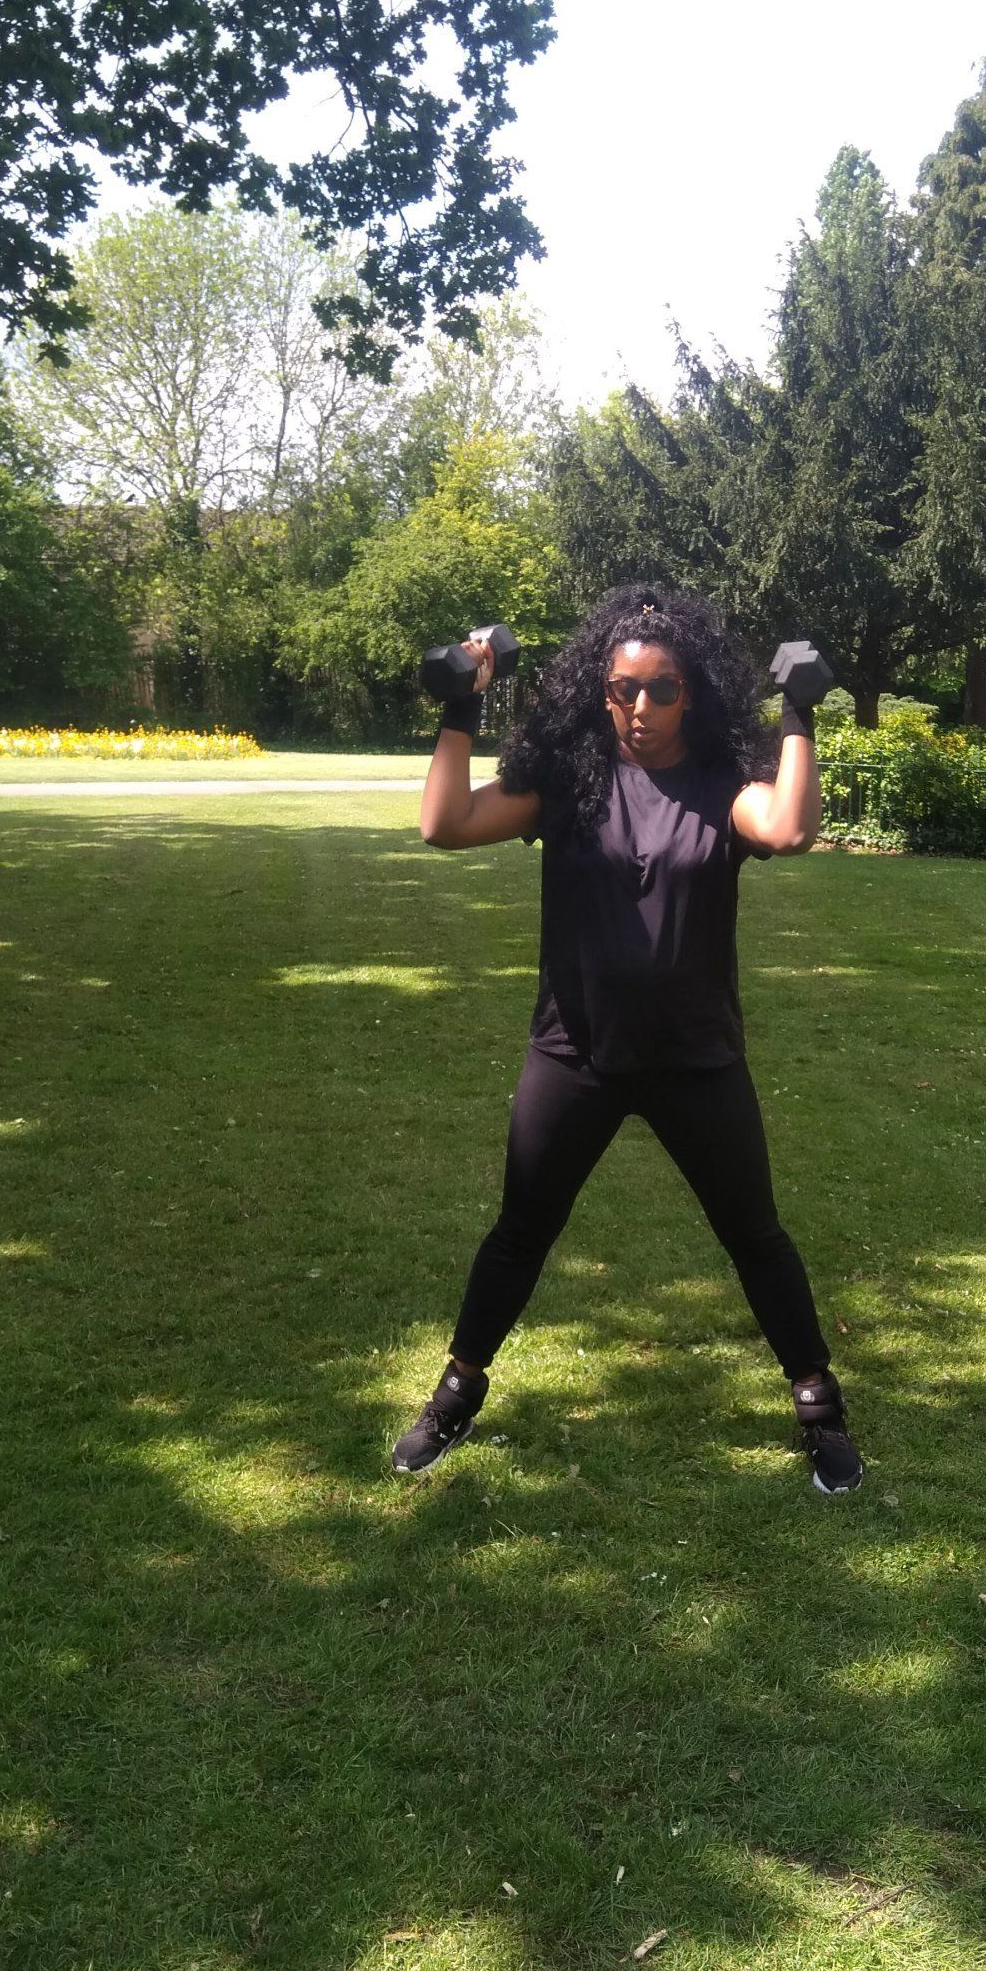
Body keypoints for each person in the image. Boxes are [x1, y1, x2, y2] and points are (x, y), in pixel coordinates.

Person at [392, 584, 865, 1495]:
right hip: (576, 1053)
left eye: (662, 689)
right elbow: (442, 825)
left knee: (755, 1236)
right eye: (622, 689)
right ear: (598, 691)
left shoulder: (722, 784)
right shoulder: (568, 782)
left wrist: (799, 714)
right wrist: (461, 706)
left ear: (694, 693)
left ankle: (819, 1406)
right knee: (520, 1231)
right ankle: (456, 1393)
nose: (640, 707)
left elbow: (791, 828)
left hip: (696, 1059)